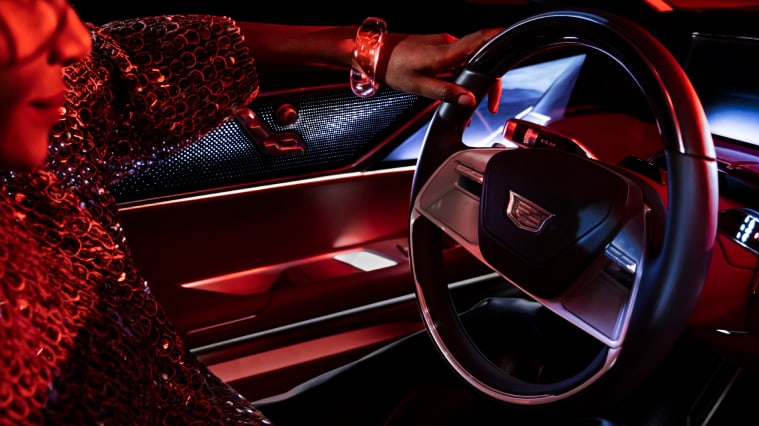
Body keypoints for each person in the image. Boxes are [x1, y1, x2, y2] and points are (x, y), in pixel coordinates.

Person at [0, 0, 501, 423]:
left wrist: (366, 51)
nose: (73, 41)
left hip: (206, 407)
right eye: (21, 6)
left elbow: (131, 62)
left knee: (505, 332)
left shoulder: (45, 150)